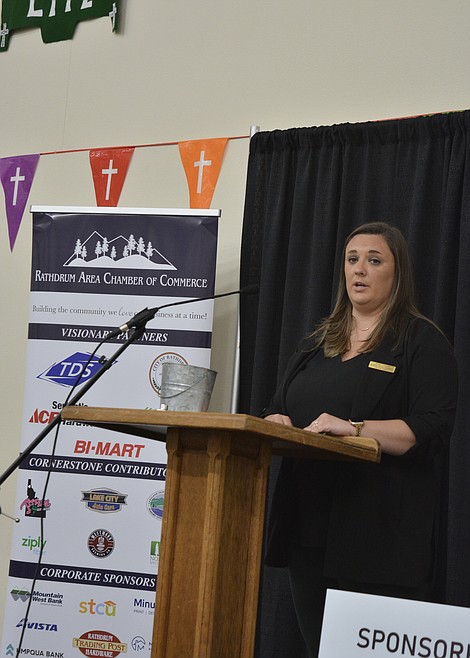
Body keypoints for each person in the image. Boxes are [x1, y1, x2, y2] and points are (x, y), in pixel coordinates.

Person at [262, 222, 458, 658]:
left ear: (397, 272)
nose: (359, 270)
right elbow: (278, 405)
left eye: (374, 260)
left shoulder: (420, 342)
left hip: (379, 537)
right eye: (352, 259)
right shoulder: (317, 343)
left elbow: (431, 428)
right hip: (309, 530)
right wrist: (275, 420)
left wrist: (353, 428)